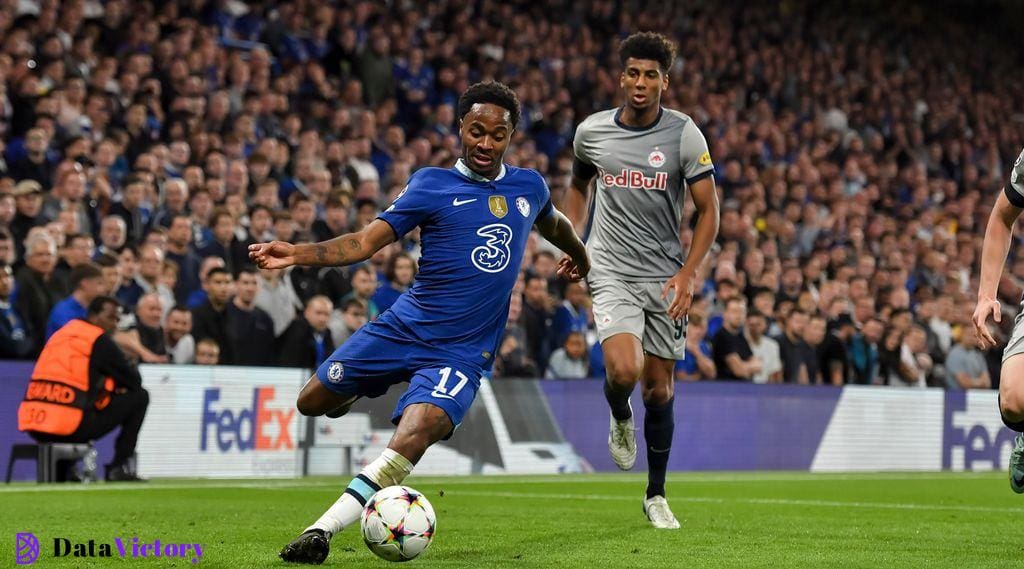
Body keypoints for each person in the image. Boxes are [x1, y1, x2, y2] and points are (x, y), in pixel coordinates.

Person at [251, 81, 588, 563]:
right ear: (460, 130)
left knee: (417, 430)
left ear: (511, 136)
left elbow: (554, 223)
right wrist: (298, 253)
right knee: (311, 402)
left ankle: (320, 531)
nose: (486, 144)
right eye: (477, 132)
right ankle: (352, 390)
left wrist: (581, 255)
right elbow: (364, 243)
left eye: (498, 135)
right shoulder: (431, 184)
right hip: (404, 327)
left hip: (463, 351)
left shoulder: (528, 186)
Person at [562, 32, 719, 529]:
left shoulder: (683, 135)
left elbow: (709, 211)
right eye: (633, 73)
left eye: (651, 75)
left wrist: (688, 273)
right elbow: (576, 187)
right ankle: (619, 414)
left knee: (658, 390)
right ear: (621, 76)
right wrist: (574, 244)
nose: (640, 82)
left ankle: (656, 494)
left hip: (664, 277)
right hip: (609, 269)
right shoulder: (591, 133)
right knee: (623, 372)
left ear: (664, 82)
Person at [17, 296, 149, 482]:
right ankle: (119, 466)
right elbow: (134, 381)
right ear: (94, 316)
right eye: (111, 317)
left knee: (83, 400)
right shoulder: (98, 340)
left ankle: (65, 471)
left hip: (34, 423)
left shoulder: (62, 333)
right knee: (140, 396)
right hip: (69, 426)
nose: (114, 324)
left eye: (118, 319)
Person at [45, 262, 106, 339]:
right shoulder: (64, 311)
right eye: (99, 283)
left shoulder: (88, 309)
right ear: (85, 283)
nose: (103, 289)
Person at [277, 295, 335, 369]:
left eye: (326, 314)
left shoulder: (327, 333)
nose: (322, 318)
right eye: (318, 313)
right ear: (307, 312)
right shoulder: (296, 331)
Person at [0, 261, 34, 358]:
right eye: (0, 277)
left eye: (7, 276)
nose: (4, 281)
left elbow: (32, 338)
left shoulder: (18, 308)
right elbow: (7, 346)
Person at [946, 324, 991, 390]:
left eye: (974, 336)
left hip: (976, 396)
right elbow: (964, 383)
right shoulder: (954, 353)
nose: (971, 338)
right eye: (968, 335)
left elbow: (987, 383)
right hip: (957, 396)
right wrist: (980, 382)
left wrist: (973, 382)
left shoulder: (978, 355)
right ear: (962, 335)